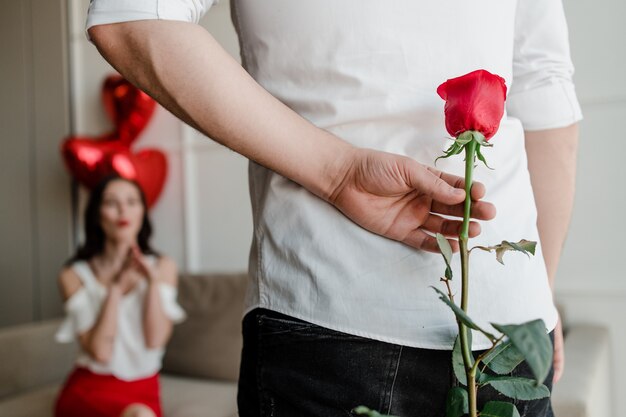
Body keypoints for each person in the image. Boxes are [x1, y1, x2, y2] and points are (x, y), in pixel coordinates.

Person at [84, 1, 582, 416]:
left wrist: (339, 171)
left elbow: (133, 15)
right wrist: (540, 285)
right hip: (426, 319)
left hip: (353, 308)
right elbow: (546, 89)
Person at [54, 175, 186, 417]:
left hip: (143, 388)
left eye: (132, 202)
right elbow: (100, 352)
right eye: (111, 202)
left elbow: (155, 340)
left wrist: (153, 283)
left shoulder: (163, 266)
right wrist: (115, 289)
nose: (123, 210)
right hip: (90, 387)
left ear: (142, 212)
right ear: (96, 213)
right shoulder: (73, 275)